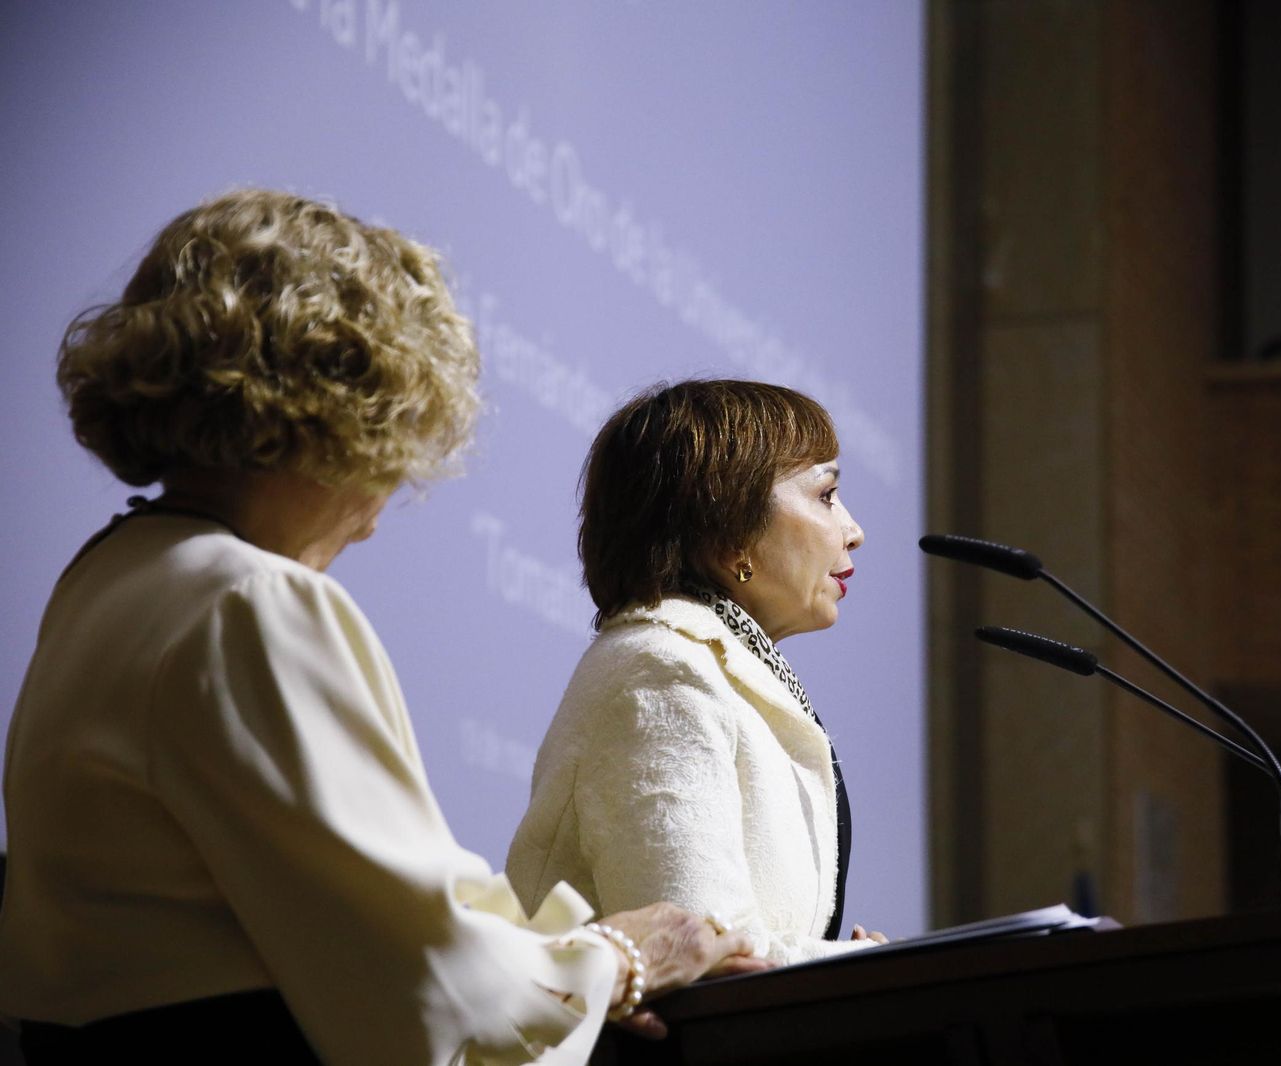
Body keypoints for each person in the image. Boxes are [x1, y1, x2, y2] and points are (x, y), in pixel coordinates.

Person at [0, 190, 762, 1065]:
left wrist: (555, 961)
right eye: (398, 439)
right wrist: (622, 959)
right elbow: (427, 988)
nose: (380, 509)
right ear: (340, 408)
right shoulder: (250, 602)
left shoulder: (105, 580)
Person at [505, 380, 887, 967]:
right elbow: (701, 951)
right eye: (827, 495)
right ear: (731, 528)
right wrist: (856, 970)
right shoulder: (659, 670)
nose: (853, 529)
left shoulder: (720, 665)